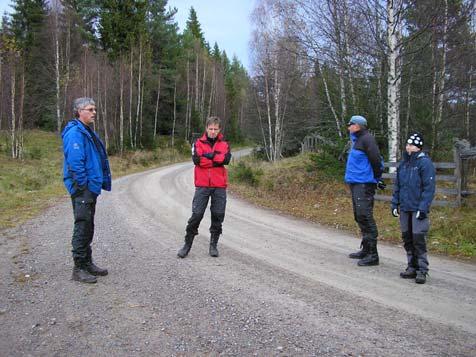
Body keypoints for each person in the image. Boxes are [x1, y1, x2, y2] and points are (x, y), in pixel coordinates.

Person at [62, 97, 112, 283]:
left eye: (94, 109)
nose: (94, 113)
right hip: (82, 189)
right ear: (79, 111)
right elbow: (75, 163)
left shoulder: (86, 131)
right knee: (82, 226)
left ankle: (87, 263)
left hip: (89, 188)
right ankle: (79, 268)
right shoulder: (75, 133)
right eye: (90, 109)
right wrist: (84, 185)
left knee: (88, 225)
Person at [177, 116, 232, 258]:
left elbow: (226, 160)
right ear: (206, 128)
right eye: (210, 128)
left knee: (218, 215)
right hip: (202, 185)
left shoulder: (225, 143)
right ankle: (187, 244)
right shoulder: (197, 143)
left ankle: (213, 245)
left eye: (215, 129)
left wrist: (209, 157)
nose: (213, 131)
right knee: (196, 215)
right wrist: (215, 158)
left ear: (219, 129)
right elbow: (197, 160)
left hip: (219, 185)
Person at [391, 132, 435, 284]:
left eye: (411, 144)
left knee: (418, 237)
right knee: (407, 237)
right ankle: (412, 266)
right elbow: (398, 185)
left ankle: (422, 269)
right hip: (405, 206)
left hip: (417, 207)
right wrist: (394, 203)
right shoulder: (404, 164)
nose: (407, 147)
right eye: (407, 144)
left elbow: (428, 188)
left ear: (417, 147)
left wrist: (423, 208)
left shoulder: (424, 163)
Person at [345, 115, 385, 266]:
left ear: (358, 126)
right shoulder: (356, 140)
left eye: (351, 124)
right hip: (355, 182)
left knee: (365, 216)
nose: (348, 127)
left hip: (364, 183)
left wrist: (376, 177)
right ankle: (366, 250)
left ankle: (373, 255)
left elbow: (376, 159)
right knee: (359, 216)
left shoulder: (367, 139)